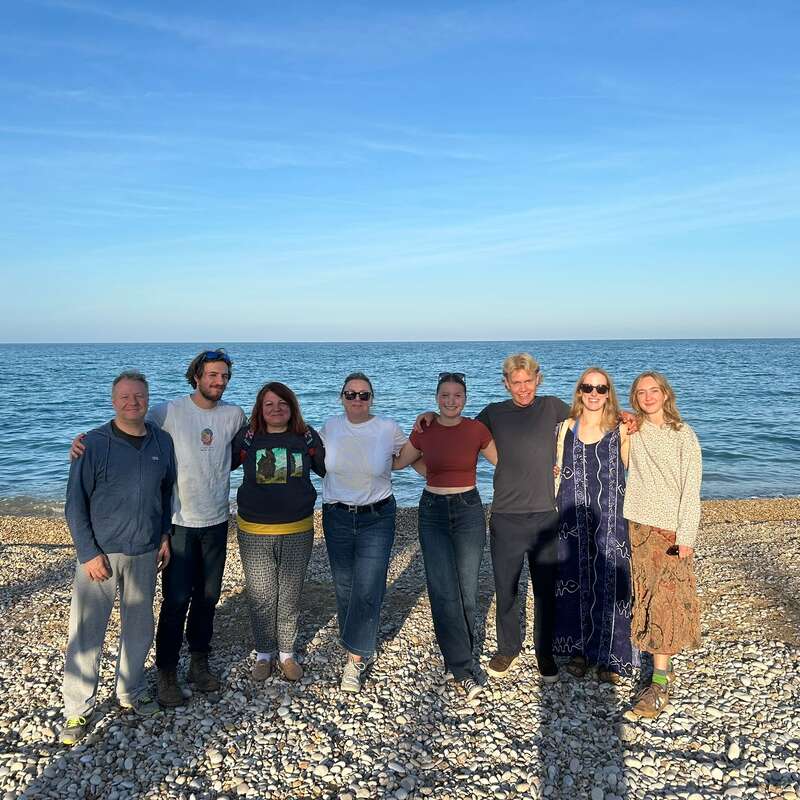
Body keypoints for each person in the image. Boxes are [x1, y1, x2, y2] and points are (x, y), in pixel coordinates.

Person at [70, 349, 247, 706]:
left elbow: (247, 449)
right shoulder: (167, 411)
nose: (218, 382)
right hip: (180, 523)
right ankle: (166, 672)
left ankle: (199, 663)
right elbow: (130, 428)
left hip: (216, 522)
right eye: (212, 375)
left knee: (208, 599)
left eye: (224, 376)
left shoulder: (234, 415)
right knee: (176, 600)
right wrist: (82, 443)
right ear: (196, 376)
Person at [60, 371, 176, 745]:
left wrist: (163, 535)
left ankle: (132, 690)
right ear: (114, 401)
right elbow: (74, 504)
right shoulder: (92, 444)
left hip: (144, 551)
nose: (133, 403)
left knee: (140, 627)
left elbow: (166, 491)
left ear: (147, 398)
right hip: (100, 555)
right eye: (125, 397)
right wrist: (88, 552)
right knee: (87, 631)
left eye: (139, 396)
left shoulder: (162, 441)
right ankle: (78, 709)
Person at [394, 372, 497, 701]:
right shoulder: (424, 428)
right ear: (436, 397)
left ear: (465, 399)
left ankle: (461, 654)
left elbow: (506, 462)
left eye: (457, 396)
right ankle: (461, 665)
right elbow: (399, 462)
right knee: (443, 590)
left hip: (468, 510)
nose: (451, 401)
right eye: (445, 395)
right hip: (432, 512)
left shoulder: (476, 430)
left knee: (466, 591)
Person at [231, 382, 325, 682]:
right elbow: (215, 460)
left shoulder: (306, 434)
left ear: (292, 407)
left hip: (298, 528)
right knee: (261, 595)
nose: (276, 409)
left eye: (282, 403)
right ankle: (263, 653)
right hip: (254, 530)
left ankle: (286, 653)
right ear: (260, 408)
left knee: (289, 596)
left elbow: (330, 468)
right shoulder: (247, 437)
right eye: (269, 404)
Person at [320, 372, 408, 693]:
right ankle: (355, 640)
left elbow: (412, 454)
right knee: (345, 587)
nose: (357, 400)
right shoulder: (329, 428)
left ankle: (356, 660)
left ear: (372, 398)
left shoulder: (387, 428)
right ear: (341, 397)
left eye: (364, 395)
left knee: (368, 587)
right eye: (351, 394)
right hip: (336, 516)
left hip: (377, 517)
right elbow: (308, 456)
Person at [623, 371, 702, 719]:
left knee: (666, 602)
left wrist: (686, 535)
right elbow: (627, 465)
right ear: (635, 398)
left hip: (669, 529)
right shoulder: (634, 432)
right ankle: (657, 665)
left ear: (665, 394)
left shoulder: (684, 435)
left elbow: (691, 489)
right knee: (646, 596)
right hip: (637, 525)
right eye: (641, 392)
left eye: (653, 390)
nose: (648, 396)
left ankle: (659, 681)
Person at [552, 367, 636, 683]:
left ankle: (612, 657)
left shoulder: (622, 429)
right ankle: (579, 651)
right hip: (573, 519)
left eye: (601, 389)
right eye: (588, 387)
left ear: (608, 394)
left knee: (612, 583)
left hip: (611, 518)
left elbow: (636, 469)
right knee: (576, 579)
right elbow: (551, 469)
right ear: (579, 391)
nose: (594, 394)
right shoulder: (563, 429)